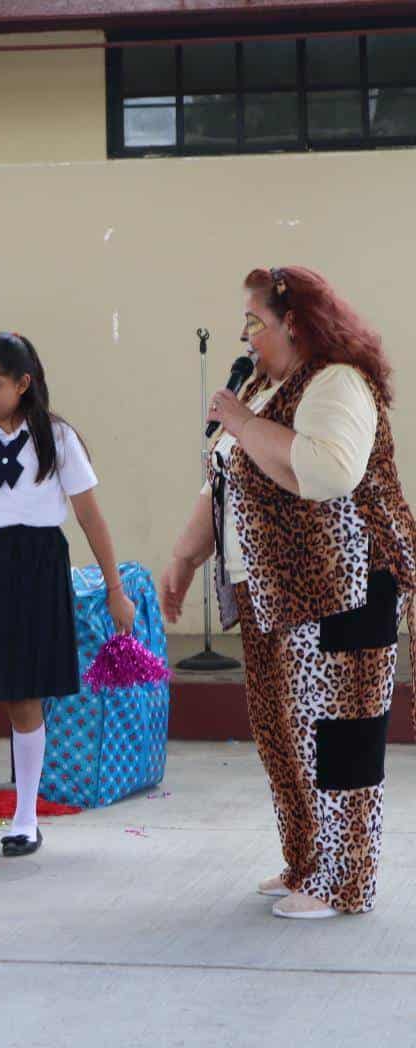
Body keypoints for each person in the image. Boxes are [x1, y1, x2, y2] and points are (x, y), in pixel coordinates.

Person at [162, 266, 416, 919]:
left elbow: (329, 470)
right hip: (273, 597)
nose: (244, 335)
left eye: (255, 321)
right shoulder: (266, 390)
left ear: (297, 325)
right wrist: (185, 557)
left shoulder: (338, 383)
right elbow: (223, 480)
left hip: (345, 594)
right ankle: (308, 863)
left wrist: (242, 421)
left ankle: (345, 881)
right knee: (287, 739)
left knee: (339, 745)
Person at [0, 332, 135, 864]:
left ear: (24, 383)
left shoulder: (58, 439)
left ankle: (25, 819)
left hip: (37, 565)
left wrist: (116, 590)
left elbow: (90, 517)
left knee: (23, 699)